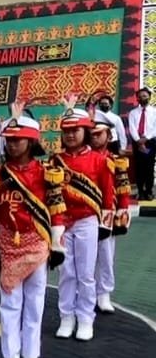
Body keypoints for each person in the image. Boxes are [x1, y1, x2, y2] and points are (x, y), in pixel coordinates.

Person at [0, 101, 66, 358]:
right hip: (8, 243)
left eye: (17, 140)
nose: (11, 145)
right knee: (9, 304)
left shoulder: (46, 174)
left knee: (35, 303)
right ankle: (10, 357)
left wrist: (56, 245)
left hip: (38, 244)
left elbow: (56, 211)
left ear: (31, 142)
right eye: (8, 140)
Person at [48, 100, 115, 342]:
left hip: (87, 220)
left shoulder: (99, 160)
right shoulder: (55, 160)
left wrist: (106, 224)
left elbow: (108, 195)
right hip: (62, 222)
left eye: (75, 131)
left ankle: (86, 318)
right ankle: (67, 317)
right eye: (66, 131)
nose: (70, 135)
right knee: (66, 272)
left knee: (86, 273)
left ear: (85, 131)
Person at [90, 110, 132, 313]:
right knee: (84, 257)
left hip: (108, 214)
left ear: (109, 135)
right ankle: (86, 292)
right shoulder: (83, 158)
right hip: (85, 214)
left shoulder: (117, 161)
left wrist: (122, 214)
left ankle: (103, 293)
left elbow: (123, 191)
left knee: (106, 255)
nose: (95, 137)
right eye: (92, 133)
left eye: (99, 133)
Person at [127, 88, 156, 200]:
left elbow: (155, 128)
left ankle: (149, 192)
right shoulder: (133, 113)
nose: (142, 98)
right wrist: (138, 140)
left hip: (150, 142)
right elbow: (132, 128)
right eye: (140, 96)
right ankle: (140, 191)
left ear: (149, 97)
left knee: (149, 167)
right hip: (137, 142)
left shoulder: (154, 112)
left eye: (145, 95)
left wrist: (146, 138)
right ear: (137, 98)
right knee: (139, 167)